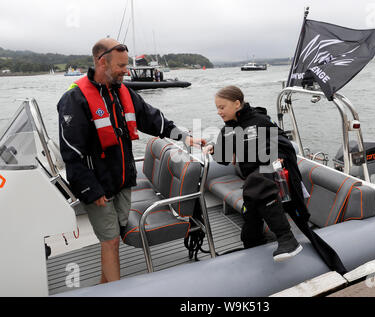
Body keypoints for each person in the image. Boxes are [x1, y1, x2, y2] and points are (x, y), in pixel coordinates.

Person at [57, 38, 205, 284]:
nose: (127, 71)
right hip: (98, 187)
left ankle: (103, 288)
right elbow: (71, 152)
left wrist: (184, 137)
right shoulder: (75, 99)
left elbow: (153, 119)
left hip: (123, 182)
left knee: (112, 240)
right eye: (121, 66)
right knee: (111, 241)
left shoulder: (123, 93)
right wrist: (90, 190)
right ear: (101, 62)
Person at [204, 86, 347, 271]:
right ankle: (255, 254)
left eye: (222, 107)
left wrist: (277, 155)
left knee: (258, 180)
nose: (219, 112)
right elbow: (223, 160)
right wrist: (214, 149)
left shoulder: (260, 121)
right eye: (217, 108)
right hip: (253, 184)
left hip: (273, 176)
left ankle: (287, 239)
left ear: (237, 104)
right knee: (249, 231)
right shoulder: (228, 131)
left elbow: (282, 143)